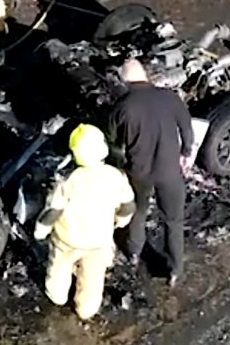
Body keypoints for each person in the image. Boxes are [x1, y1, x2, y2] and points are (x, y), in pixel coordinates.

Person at [33, 123, 136, 320]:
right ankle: (86, 309)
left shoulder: (68, 180)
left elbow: (53, 211)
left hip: (66, 240)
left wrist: (40, 231)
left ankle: (58, 296)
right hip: (98, 241)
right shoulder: (115, 176)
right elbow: (129, 205)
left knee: (58, 269)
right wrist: (121, 220)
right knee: (93, 278)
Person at [106, 58, 194, 287]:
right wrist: (185, 153)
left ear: (124, 81)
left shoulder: (122, 107)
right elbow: (187, 130)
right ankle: (174, 269)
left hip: (139, 173)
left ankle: (134, 252)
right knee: (173, 220)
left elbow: (114, 144)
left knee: (138, 212)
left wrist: (119, 164)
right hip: (170, 172)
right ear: (145, 74)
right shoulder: (170, 97)